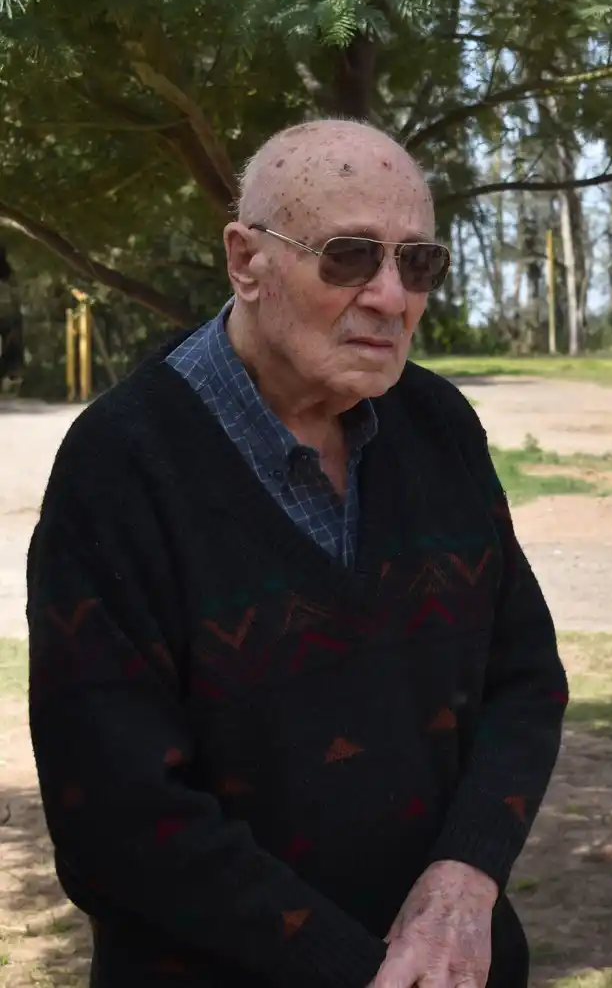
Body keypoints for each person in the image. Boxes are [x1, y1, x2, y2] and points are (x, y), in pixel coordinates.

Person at [25, 117, 568, 988]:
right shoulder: (121, 469)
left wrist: (466, 877)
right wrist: (361, 972)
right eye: (350, 256)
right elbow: (115, 823)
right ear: (247, 261)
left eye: (418, 262)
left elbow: (525, 680)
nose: (392, 296)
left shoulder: (438, 427)